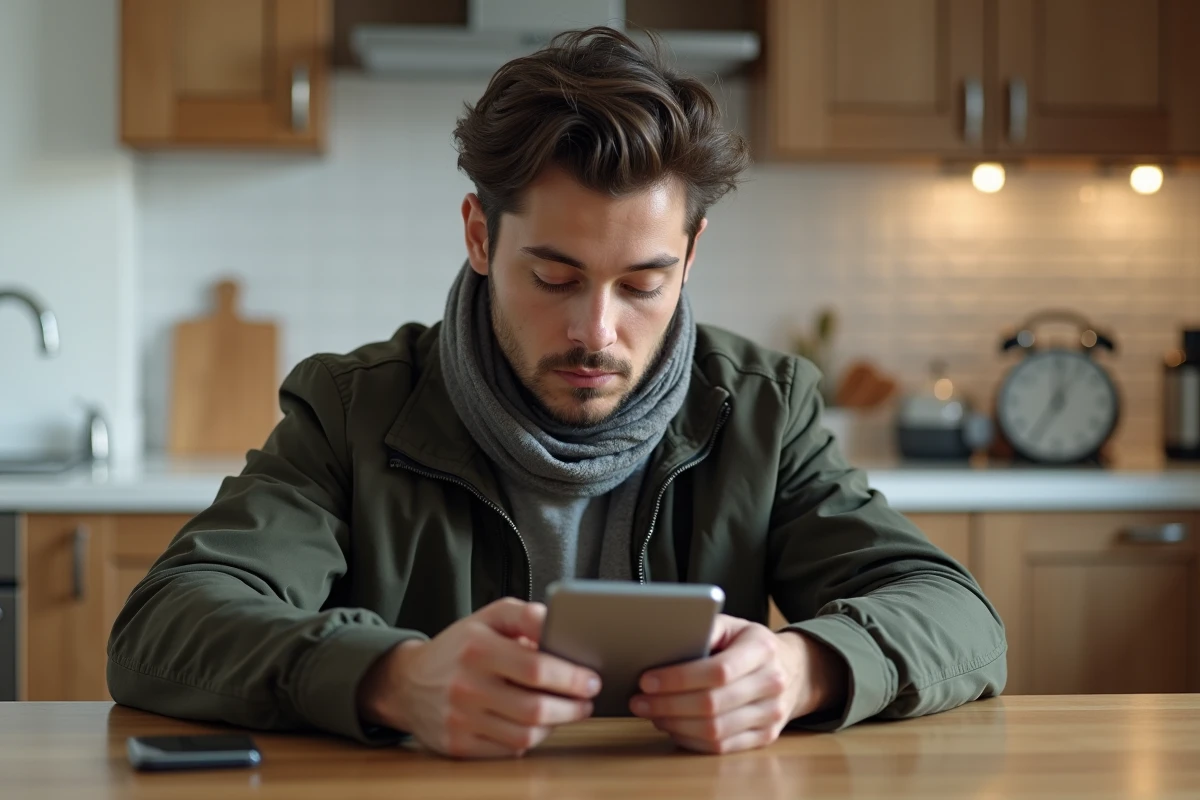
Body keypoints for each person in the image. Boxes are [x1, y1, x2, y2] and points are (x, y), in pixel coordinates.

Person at [107, 28, 1006, 759]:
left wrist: (806, 667)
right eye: (555, 276)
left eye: (644, 283)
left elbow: (959, 616)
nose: (597, 332)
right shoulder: (352, 409)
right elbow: (163, 625)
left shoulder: (763, 408)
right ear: (480, 237)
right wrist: (391, 679)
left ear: (690, 257)